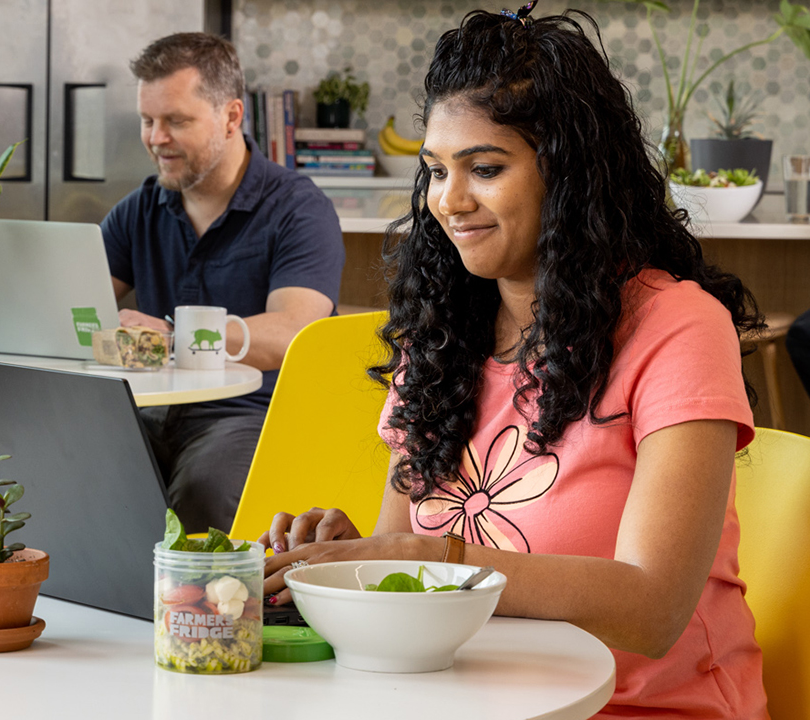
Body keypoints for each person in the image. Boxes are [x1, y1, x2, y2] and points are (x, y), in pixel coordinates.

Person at [261, 7, 768, 718]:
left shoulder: (676, 327)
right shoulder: (442, 336)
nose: (449, 200)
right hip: (469, 700)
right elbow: (406, 548)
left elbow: (655, 610)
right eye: (436, 171)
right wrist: (356, 561)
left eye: (486, 168)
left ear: (570, 173)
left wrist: (430, 561)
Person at [101, 32, 345, 533]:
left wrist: (174, 336)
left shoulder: (298, 210)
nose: (155, 138)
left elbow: (295, 332)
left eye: (176, 121)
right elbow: (78, 309)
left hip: (249, 415)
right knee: (72, 468)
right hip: (151, 408)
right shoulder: (137, 211)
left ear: (232, 117)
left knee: (200, 494)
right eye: (148, 121)